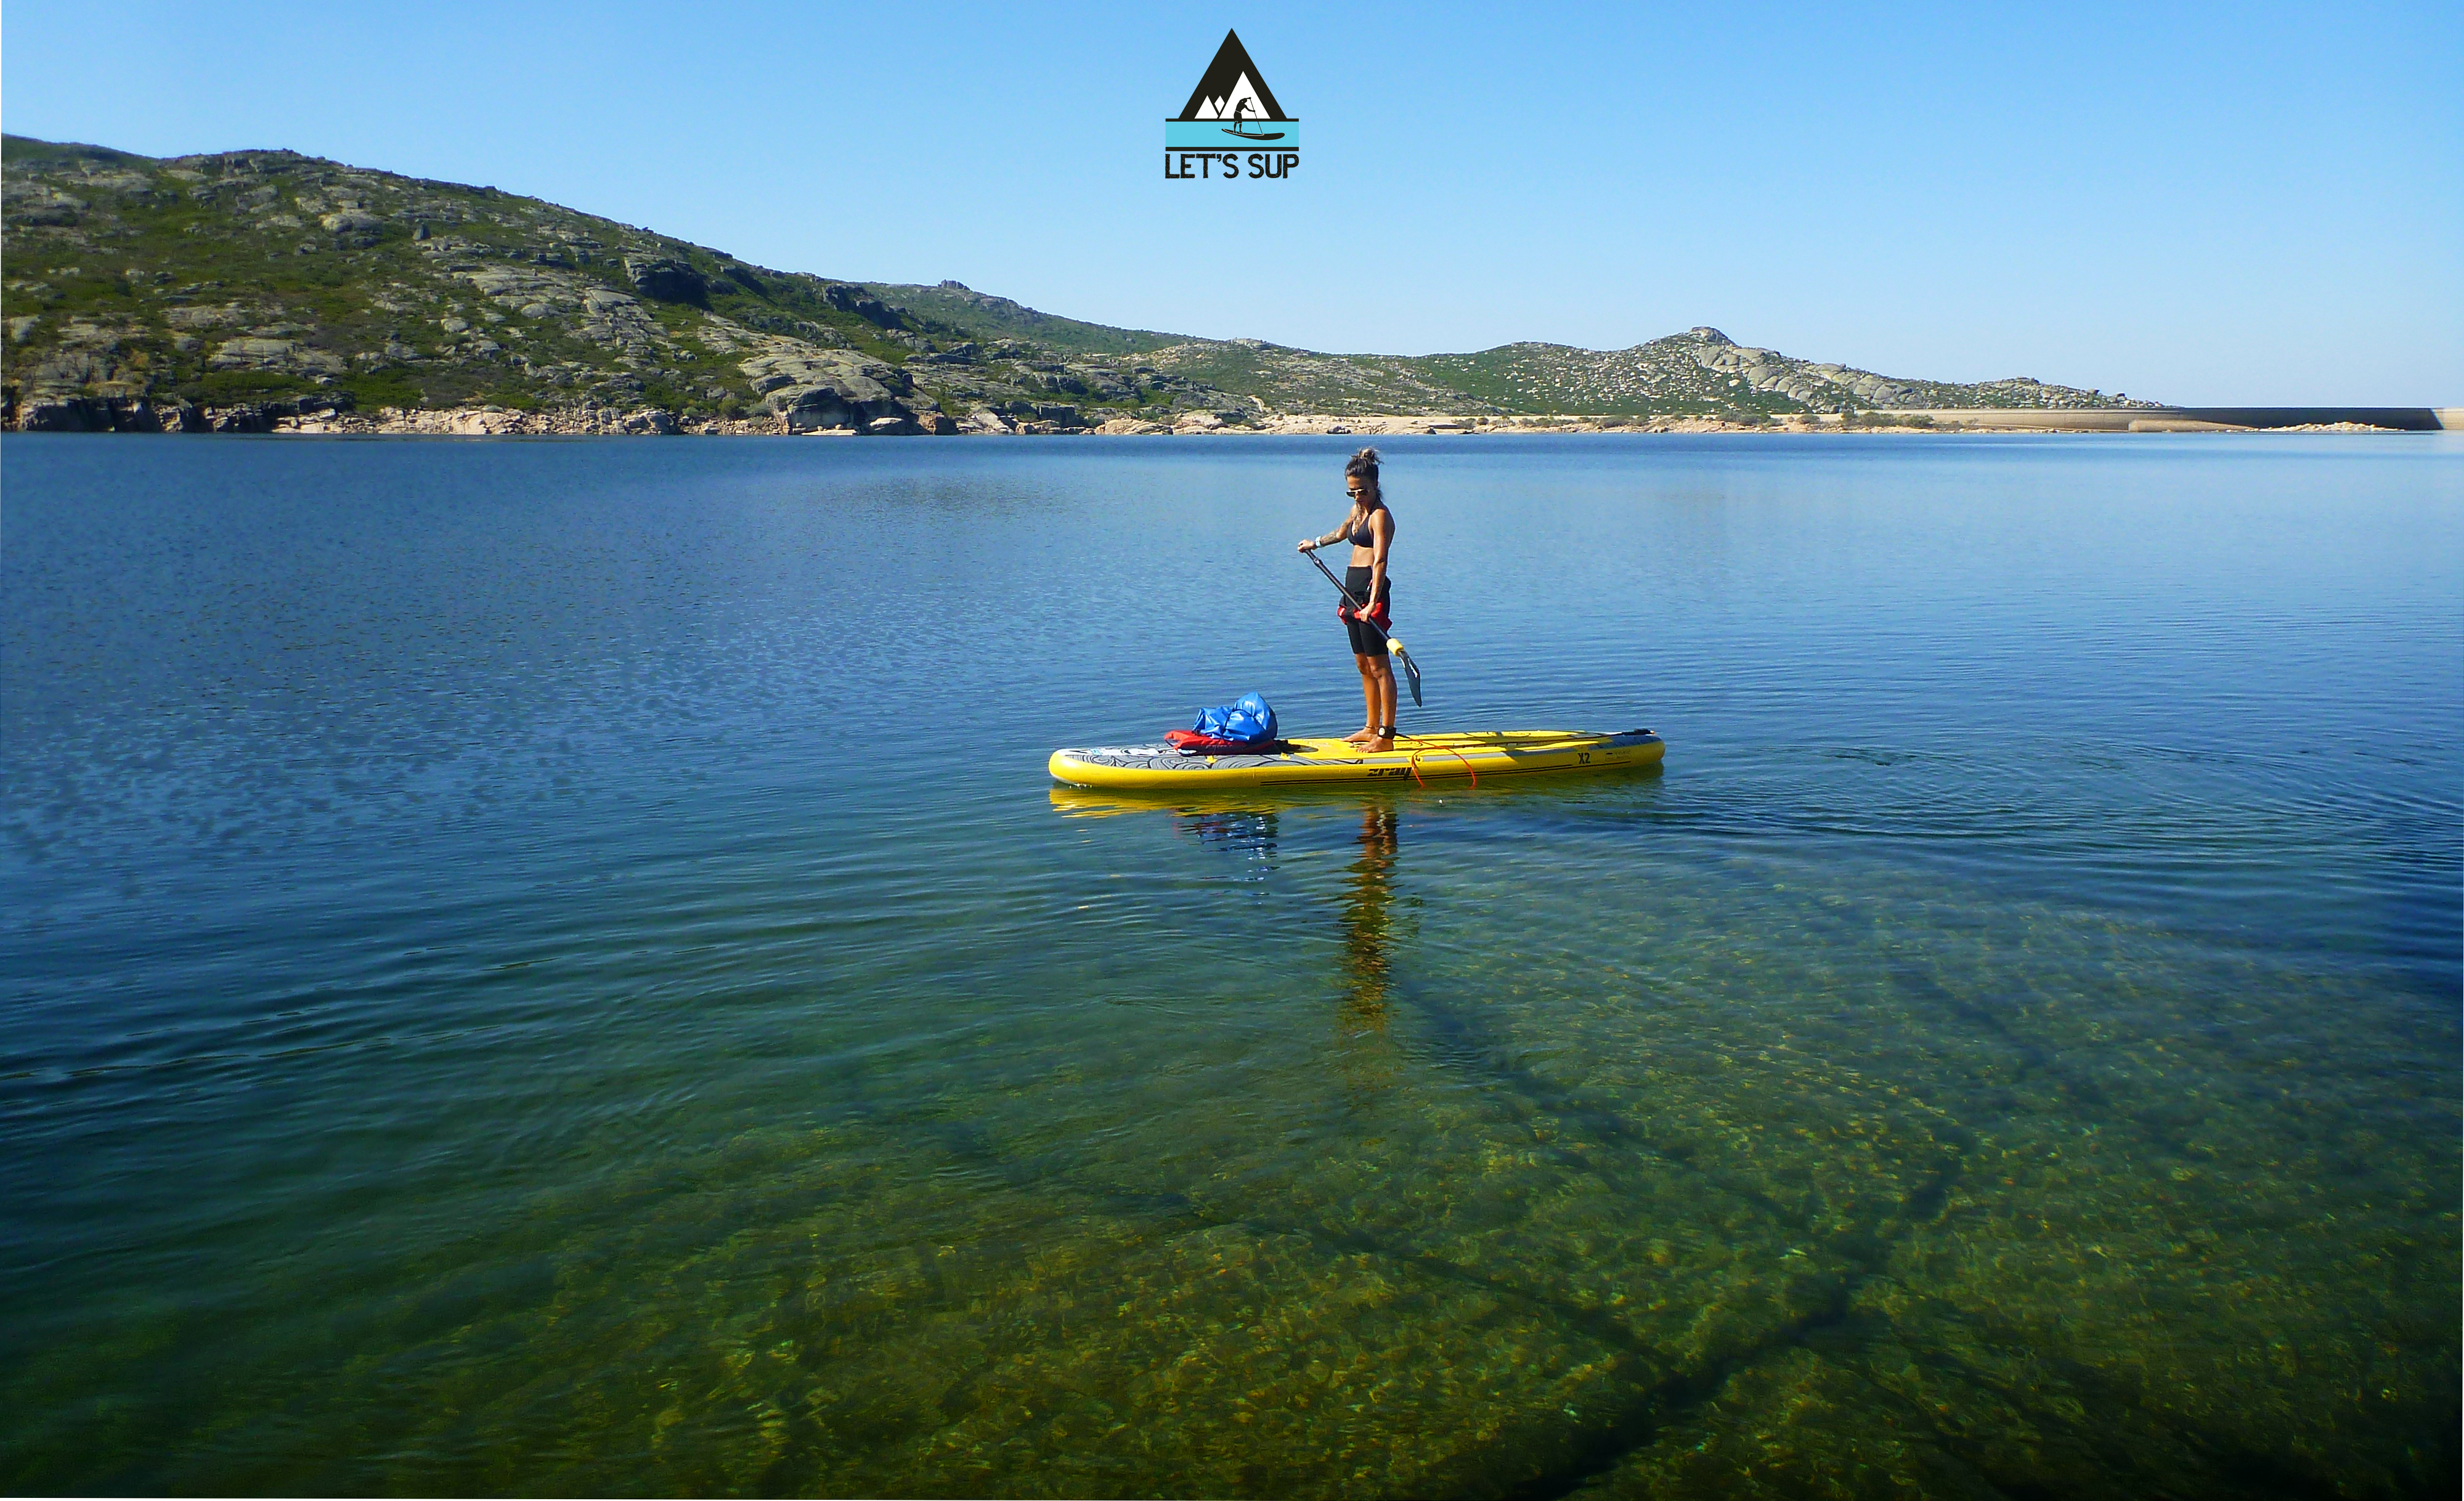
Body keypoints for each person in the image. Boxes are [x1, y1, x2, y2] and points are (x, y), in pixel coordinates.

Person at [1298, 447, 1398, 750]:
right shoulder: (1358, 512)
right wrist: (1315, 542)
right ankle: (1370, 727)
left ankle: (1386, 736)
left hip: (1371, 593)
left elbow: (1380, 560)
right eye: (1351, 491)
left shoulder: (1380, 517)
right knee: (1362, 665)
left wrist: (1372, 602)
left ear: (1375, 485)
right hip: (1349, 593)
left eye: (1362, 491)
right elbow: (1342, 532)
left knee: (1380, 667)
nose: (1357, 497)